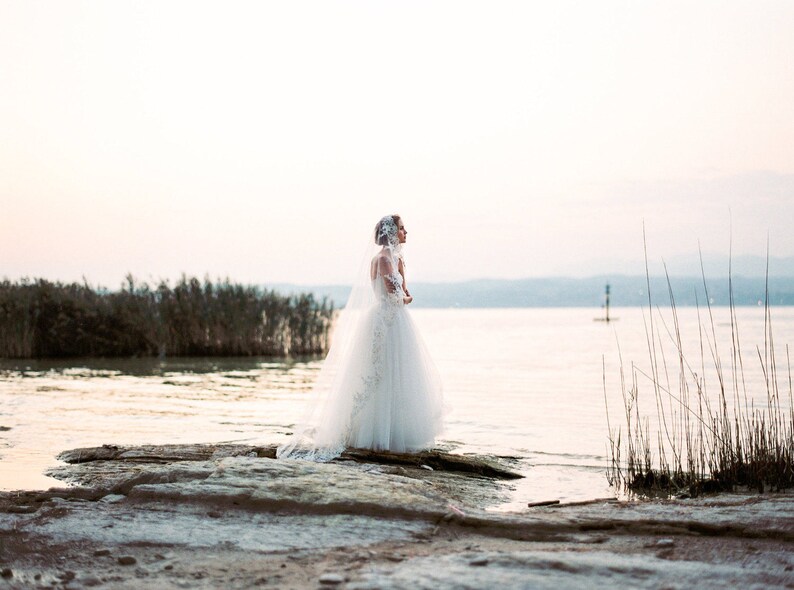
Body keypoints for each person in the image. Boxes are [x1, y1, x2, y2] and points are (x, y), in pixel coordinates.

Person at [277, 214, 444, 461]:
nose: (406, 232)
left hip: (394, 320)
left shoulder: (395, 260)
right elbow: (398, 297)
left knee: (399, 374)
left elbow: (403, 289)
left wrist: (403, 274)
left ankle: (396, 432)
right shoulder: (383, 260)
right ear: (392, 233)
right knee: (380, 374)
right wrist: (409, 297)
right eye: (402, 228)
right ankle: (376, 435)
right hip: (386, 323)